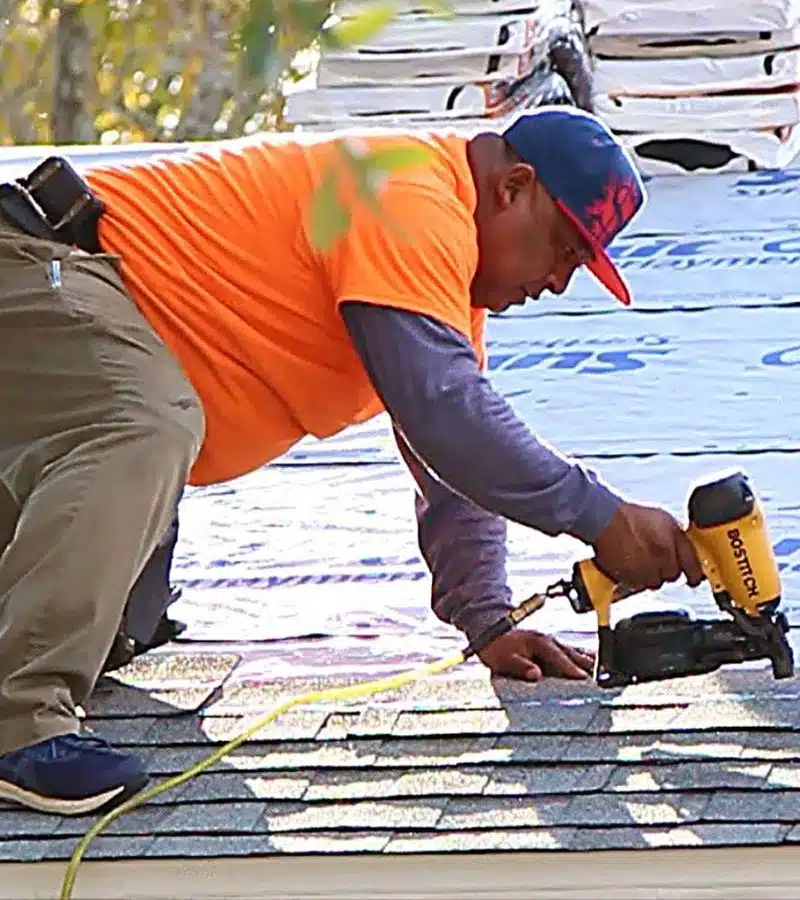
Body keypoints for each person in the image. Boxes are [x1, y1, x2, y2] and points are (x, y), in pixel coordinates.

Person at [0, 106, 704, 817]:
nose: (558, 283)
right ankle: (20, 728)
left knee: (114, 623)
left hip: (65, 325)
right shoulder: (407, 196)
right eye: (562, 250)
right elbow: (448, 416)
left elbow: (450, 467)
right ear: (511, 187)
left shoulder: (442, 273)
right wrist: (602, 517)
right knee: (144, 428)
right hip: (44, 270)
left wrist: (489, 618)